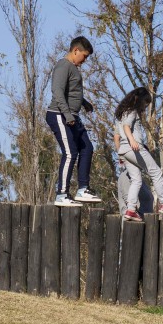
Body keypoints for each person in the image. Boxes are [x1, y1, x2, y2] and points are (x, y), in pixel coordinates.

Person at [46, 36, 101, 207]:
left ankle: (83, 189)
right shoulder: (63, 66)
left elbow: (73, 92)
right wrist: (68, 115)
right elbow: (57, 91)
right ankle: (62, 193)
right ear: (75, 50)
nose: (85, 60)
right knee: (70, 152)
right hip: (59, 115)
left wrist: (84, 103)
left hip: (72, 116)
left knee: (87, 148)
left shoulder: (73, 68)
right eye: (84, 56)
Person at [115, 87, 163, 221]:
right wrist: (132, 140)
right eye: (145, 103)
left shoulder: (123, 112)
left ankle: (131, 209)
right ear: (138, 99)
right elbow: (127, 126)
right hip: (134, 148)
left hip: (124, 151)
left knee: (136, 180)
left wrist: (121, 154)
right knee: (156, 172)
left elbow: (118, 133)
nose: (144, 107)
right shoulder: (132, 110)